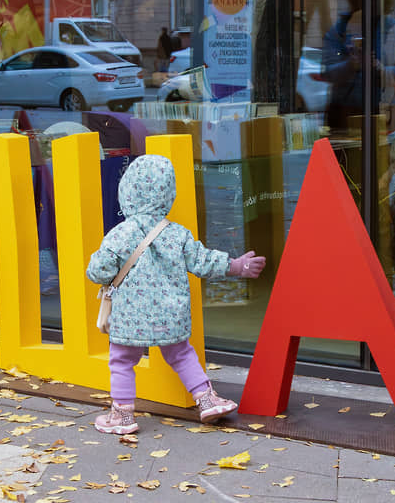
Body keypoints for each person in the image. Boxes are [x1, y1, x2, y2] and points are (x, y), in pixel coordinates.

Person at [86, 155, 266, 435]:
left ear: (127, 193)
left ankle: (122, 416)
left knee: (121, 360)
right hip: (170, 314)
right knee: (182, 354)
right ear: (168, 194)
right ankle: (206, 400)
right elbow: (202, 261)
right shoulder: (177, 234)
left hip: (130, 317)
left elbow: (98, 271)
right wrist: (236, 266)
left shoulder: (120, 234)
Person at [321, 0, 395, 133]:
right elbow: (327, 73)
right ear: (356, 0)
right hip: (346, 113)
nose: (370, 7)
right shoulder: (341, 29)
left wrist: (382, 71)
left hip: (382, 112)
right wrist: (352, 65)